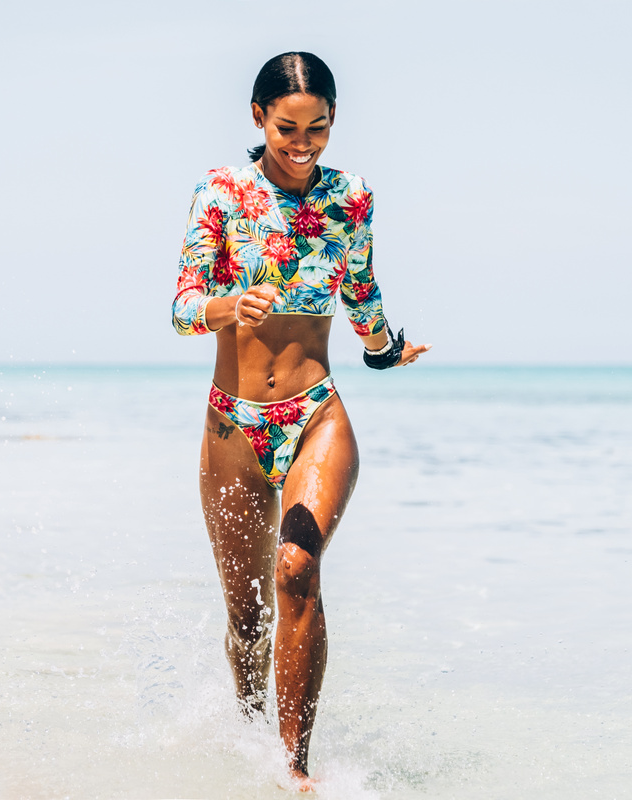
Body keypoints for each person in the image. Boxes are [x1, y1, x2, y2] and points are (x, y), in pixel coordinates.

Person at [171, 51, 430, 788]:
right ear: (258, 117)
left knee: (297, 569)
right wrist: (228, 307)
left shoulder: (351, 197)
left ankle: (294, 772)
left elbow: (360, 289)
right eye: (288, 127)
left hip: (317, 413)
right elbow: (182, 306)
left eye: (319, 127)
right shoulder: (220, 192)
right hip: (234, 427)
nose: (304, 142)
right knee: (248, 622)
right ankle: (249, 742)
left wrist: (385, 351)